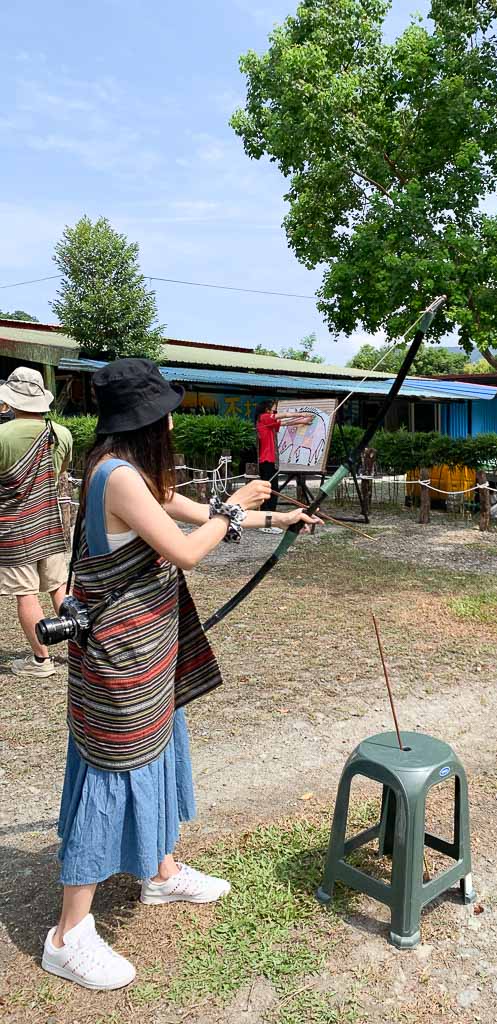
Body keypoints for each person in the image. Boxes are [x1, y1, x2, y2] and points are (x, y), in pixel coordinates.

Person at [41, 358, 320, 991]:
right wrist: (239, 501)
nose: (172, 421)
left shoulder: (129, 472)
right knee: (116, 772)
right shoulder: (118, 479)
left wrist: (276, 519)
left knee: (161, 753)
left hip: (147, 655)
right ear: (148, 421)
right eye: (165, 412)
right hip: (120, 662)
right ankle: (67, 934)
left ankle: (161, 873)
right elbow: (188, 550)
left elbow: (191, 513)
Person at [0, 367, 73, 678]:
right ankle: (85, 650)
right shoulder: (62, 433)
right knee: (59, 588)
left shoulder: (2, 436)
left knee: (26, 593)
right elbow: (59, 475)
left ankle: (41, 661)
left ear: (11, 401)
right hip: (52, 522)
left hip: (14, 527)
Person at [255, 399, 313, 533]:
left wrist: (301, 421)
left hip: (271, 461)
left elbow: (284, 423)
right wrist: (301, 414)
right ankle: (266, 523)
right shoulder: (263, 418)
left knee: (272, 491)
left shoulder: (268, 421)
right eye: (274, 409)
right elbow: (283, 417)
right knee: (271, 492)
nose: (275, 411)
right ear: (267, 409)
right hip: (267, 461)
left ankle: (266, 522)